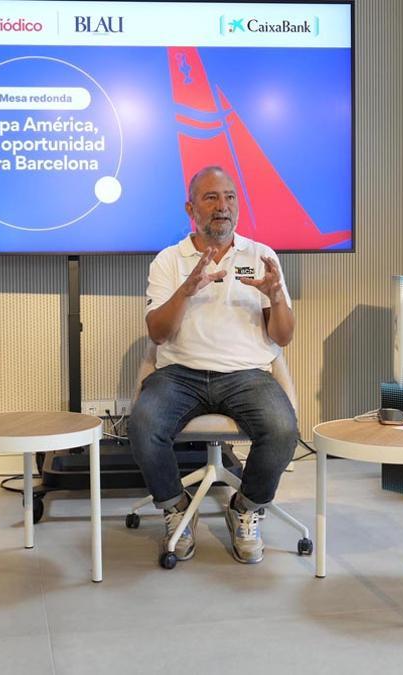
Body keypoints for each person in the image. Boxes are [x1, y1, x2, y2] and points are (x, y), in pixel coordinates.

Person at [127, 165, 299, 565]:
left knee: (282, 429)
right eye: (211, 198)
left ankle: (246, 507)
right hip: (180, 374)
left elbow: (284, 336)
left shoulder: (262, 256)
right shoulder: (168, 261)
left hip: (247, 374)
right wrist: (187, 289)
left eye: (230, 198)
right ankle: (176, 509)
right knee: (143, 426)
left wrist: (276, 297)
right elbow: (157, 333)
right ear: (191, 208)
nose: (223, 207)